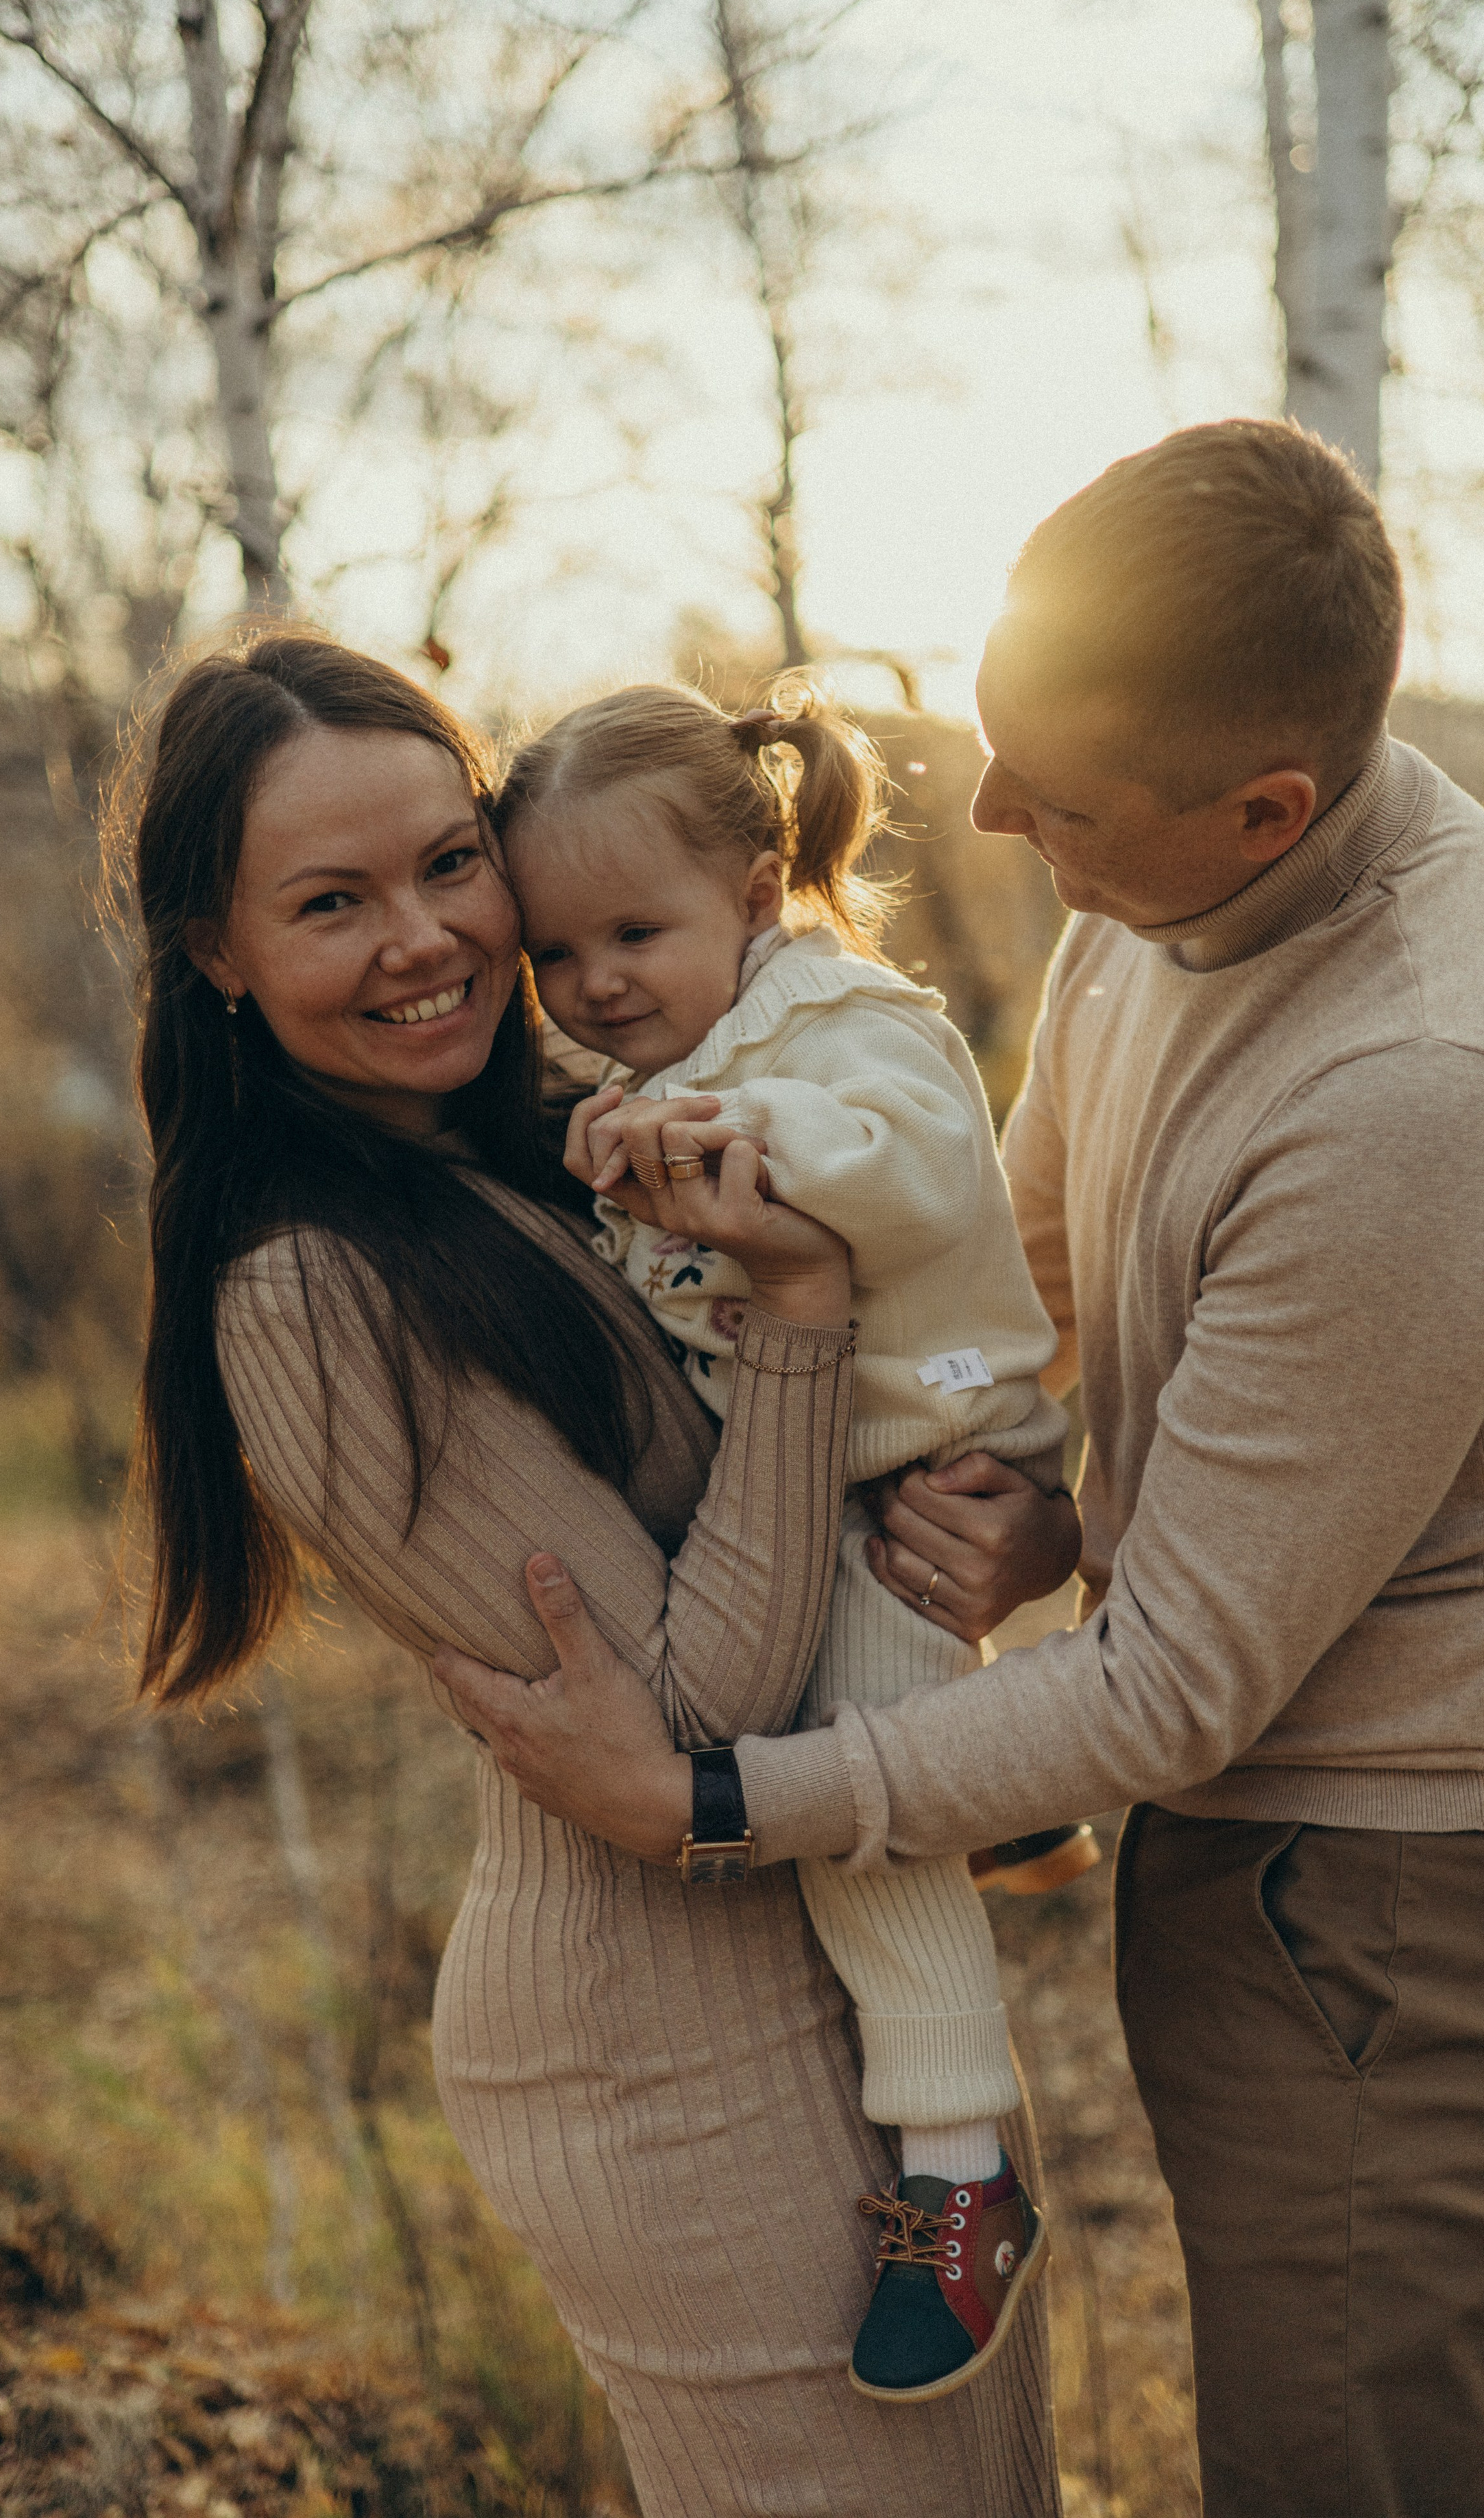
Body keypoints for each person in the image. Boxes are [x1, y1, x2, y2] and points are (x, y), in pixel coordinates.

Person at [438, 420, 1484, 2518]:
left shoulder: (1420, 1082)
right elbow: (1020, 1249)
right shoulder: (1175, 881)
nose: (1000, 815)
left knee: (1357, 2469)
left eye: (1066, 796)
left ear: (1270, 806)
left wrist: (715, 1803)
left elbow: (1172, 1689)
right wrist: (1038, 1492)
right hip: (1271, 1847)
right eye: (996, 741)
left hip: (1394, 1893)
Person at [110, 625, 1073, 2518]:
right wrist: (796, 1312)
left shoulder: (579, 1128)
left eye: (448, 862)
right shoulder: (310, 1294)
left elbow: (917, 1339)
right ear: (217, 954)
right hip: (670, 2047)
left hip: (857, 1951)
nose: (426, 939)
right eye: (330, 901)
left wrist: (1025, 1523)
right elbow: (696, 1710)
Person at [495, 679, 1090, 2403]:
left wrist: (722, 1145)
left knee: (851, 1827)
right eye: (559, 955)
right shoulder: (645, 1065)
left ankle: (963, 2184)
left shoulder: (847, 1022)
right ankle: (1004, 1806)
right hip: (812, 1475)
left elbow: (905, 1173)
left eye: (633, 932)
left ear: (758, 895)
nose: (598, 986)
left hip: (925, 1477)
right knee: (852, 1776)